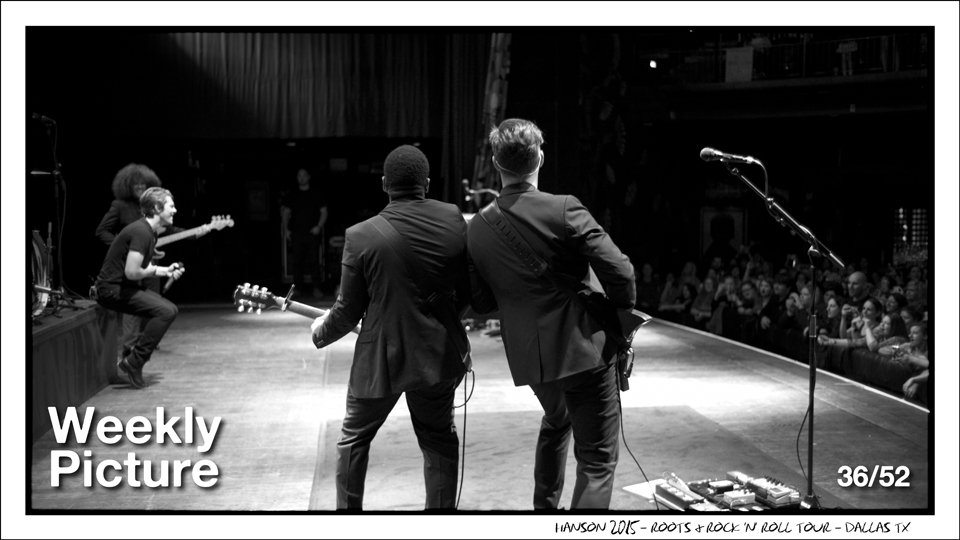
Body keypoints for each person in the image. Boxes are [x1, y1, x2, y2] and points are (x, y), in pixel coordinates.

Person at [467, 118, 636, 509]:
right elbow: (622, 272)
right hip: (583, 352)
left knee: (557, 419)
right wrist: (622, 323)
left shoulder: (478, 227)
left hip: (531, 360)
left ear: (495, 163)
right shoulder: (564, 209)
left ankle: (544, 510)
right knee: (597, 461)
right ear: (540, 158)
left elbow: (480, 301)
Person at [309, 145, 468, 510]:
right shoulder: (453, 219)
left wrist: (320, 331)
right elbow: (466, 287)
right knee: (438, 439)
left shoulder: (360, 235)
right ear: (427, 184)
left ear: (384, 184)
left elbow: (347, 313)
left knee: (354, 439)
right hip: (437, 356)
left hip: (381, 359)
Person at [94, 187, 185, 388]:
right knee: (166, 311)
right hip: (111, 290)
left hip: (122, 286)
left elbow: (141, 268)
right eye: (171, 206)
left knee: (169, 310)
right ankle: (134, 361)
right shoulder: (141, 232)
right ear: (157, 208)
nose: (175, 210)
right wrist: (155, 270)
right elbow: (132, 272)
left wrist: (166, 270)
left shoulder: (148, 232)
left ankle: (133, 359)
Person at [94, 163, 163, 362]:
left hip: (150, 261)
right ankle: (128, 348)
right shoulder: (120, 206)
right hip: (130, 263)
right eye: (136, 185)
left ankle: (147, 342)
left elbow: (163, 230)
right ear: (127, 186)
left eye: (143, 184)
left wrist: (198, 231)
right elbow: (102, 231)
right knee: (133, 304)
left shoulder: (151, 207)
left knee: (154, 302)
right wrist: (122, 246)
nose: (140, 187)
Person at [281, 167, 329, 298]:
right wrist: (286, 230)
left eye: (304, 175)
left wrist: (319, 226)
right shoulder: (292, 194)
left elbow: (324, 211)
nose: (301, 178)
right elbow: (286, 213)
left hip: (312, 232)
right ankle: (297, 289)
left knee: (314, 261)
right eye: (299, 175)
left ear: (308, 177)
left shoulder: (316, 193)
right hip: (296, 232)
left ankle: (317, 288)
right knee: (297, 261)